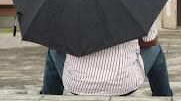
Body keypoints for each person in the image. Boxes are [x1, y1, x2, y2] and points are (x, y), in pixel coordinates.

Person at [41, 25, 172, 96]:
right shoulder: (133, 1)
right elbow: (152, 41)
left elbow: (51, 45)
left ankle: (48, 97)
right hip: (123, 84)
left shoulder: (69, 7)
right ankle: (164, 96)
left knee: (53, 52)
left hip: (78, 84)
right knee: (156, 49)